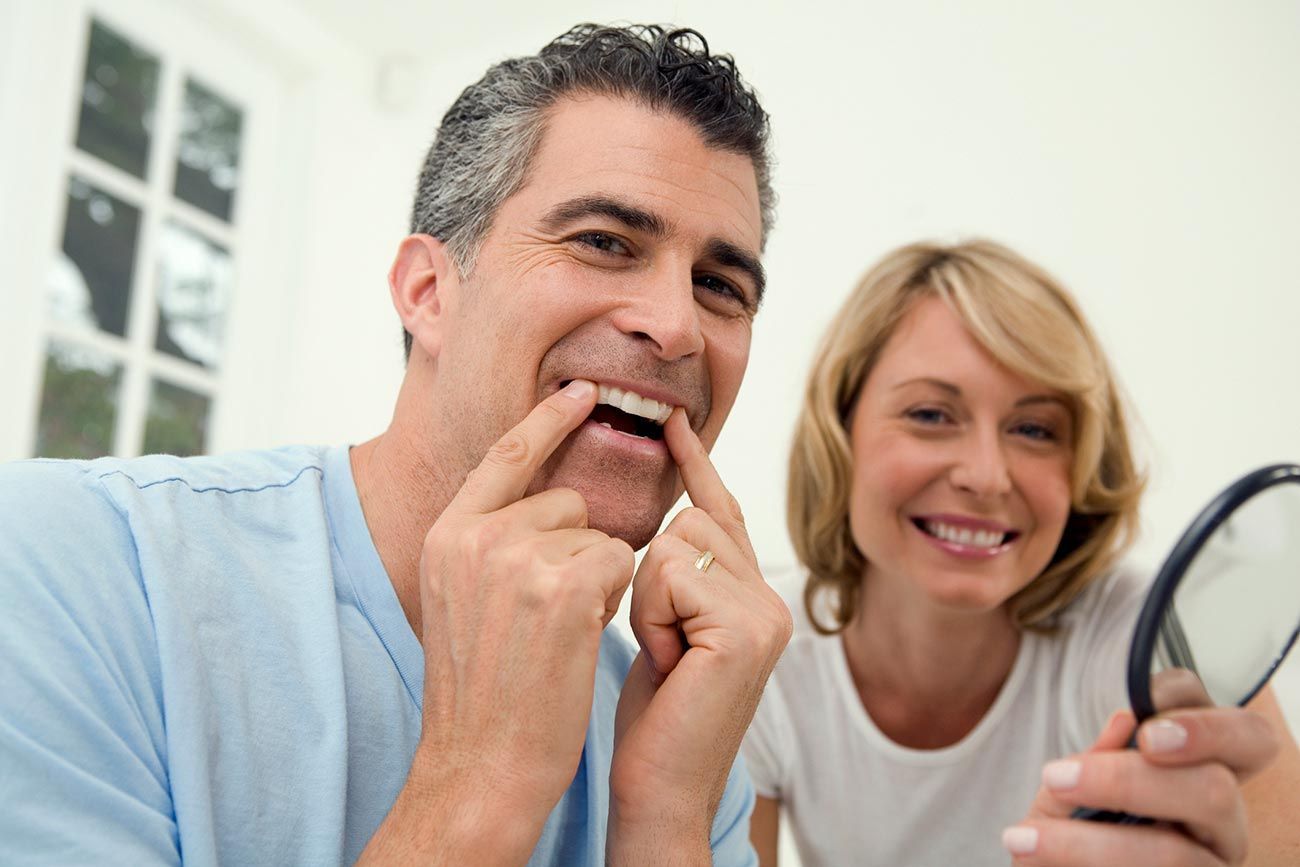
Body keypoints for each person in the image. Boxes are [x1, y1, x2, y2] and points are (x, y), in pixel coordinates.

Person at [0, 24, 792, 865]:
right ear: (427, 291)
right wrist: (480, 780)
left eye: (720, 285)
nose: (676, 327)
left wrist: (667, 817)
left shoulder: (685, 732)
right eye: (603, 241)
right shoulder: (69, 565)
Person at [742, 239, 1300, 866]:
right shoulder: (763, 652)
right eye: (930, 414)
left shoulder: (1146, 642)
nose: (987, 476)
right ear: (839, 434)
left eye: (1034, 430)